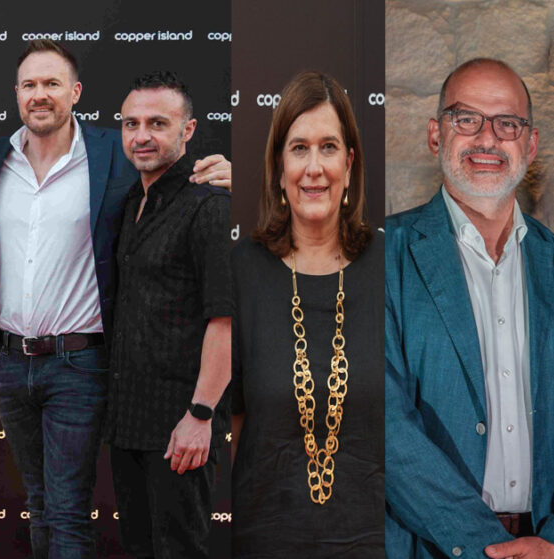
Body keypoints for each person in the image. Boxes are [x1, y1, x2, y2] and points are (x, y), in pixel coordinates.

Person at [0, 40, 230, 558]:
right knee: (42, 505)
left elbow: (174, 172)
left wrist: (233, 174)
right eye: (29, 84)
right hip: (16, 366)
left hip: (82, 365)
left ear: (75, 92)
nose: (40, 94)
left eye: (52, 83)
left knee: (70, 511)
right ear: (16, 93)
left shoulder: (114, 152)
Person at [386, 58, 554, 559]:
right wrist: (489, 546)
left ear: (530, 144)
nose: (487, 138)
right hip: (427, 545)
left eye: (507, 123)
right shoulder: (380, 256)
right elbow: (384, 425)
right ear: (435, 135)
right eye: (466, 119)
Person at [229, 71, 383, 557]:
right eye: (299, 149)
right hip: (264, 542)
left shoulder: (392, 267)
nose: (314, 168)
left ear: (350, 164)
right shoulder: (242, 271)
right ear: (279, 167)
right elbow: (231, 429)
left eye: (328, 147)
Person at [103, 71, 231, 559]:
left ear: (188, 129)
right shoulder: (131, 202)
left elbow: (225, 321)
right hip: (128, 420)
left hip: (181, 424)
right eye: (131, 124)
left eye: (157, 123)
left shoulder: (209, 206)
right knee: (138, 548)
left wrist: (200, 415)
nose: (141, 136)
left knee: (179, 550)